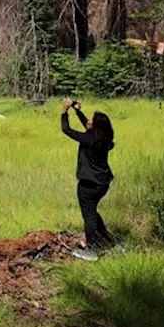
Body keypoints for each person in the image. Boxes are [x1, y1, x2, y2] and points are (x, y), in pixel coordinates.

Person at [60, 99, 115, 260]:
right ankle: (108, 241)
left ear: (95, 127)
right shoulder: (104, 138)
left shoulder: (90, 139)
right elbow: (88, 126)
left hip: (89, 184)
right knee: (93, 212)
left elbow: (66, 129)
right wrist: (77, 111)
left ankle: (92, 250)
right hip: (103, 183)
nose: (88, 120)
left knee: (89, 216)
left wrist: (64, 111)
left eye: (91, 119)